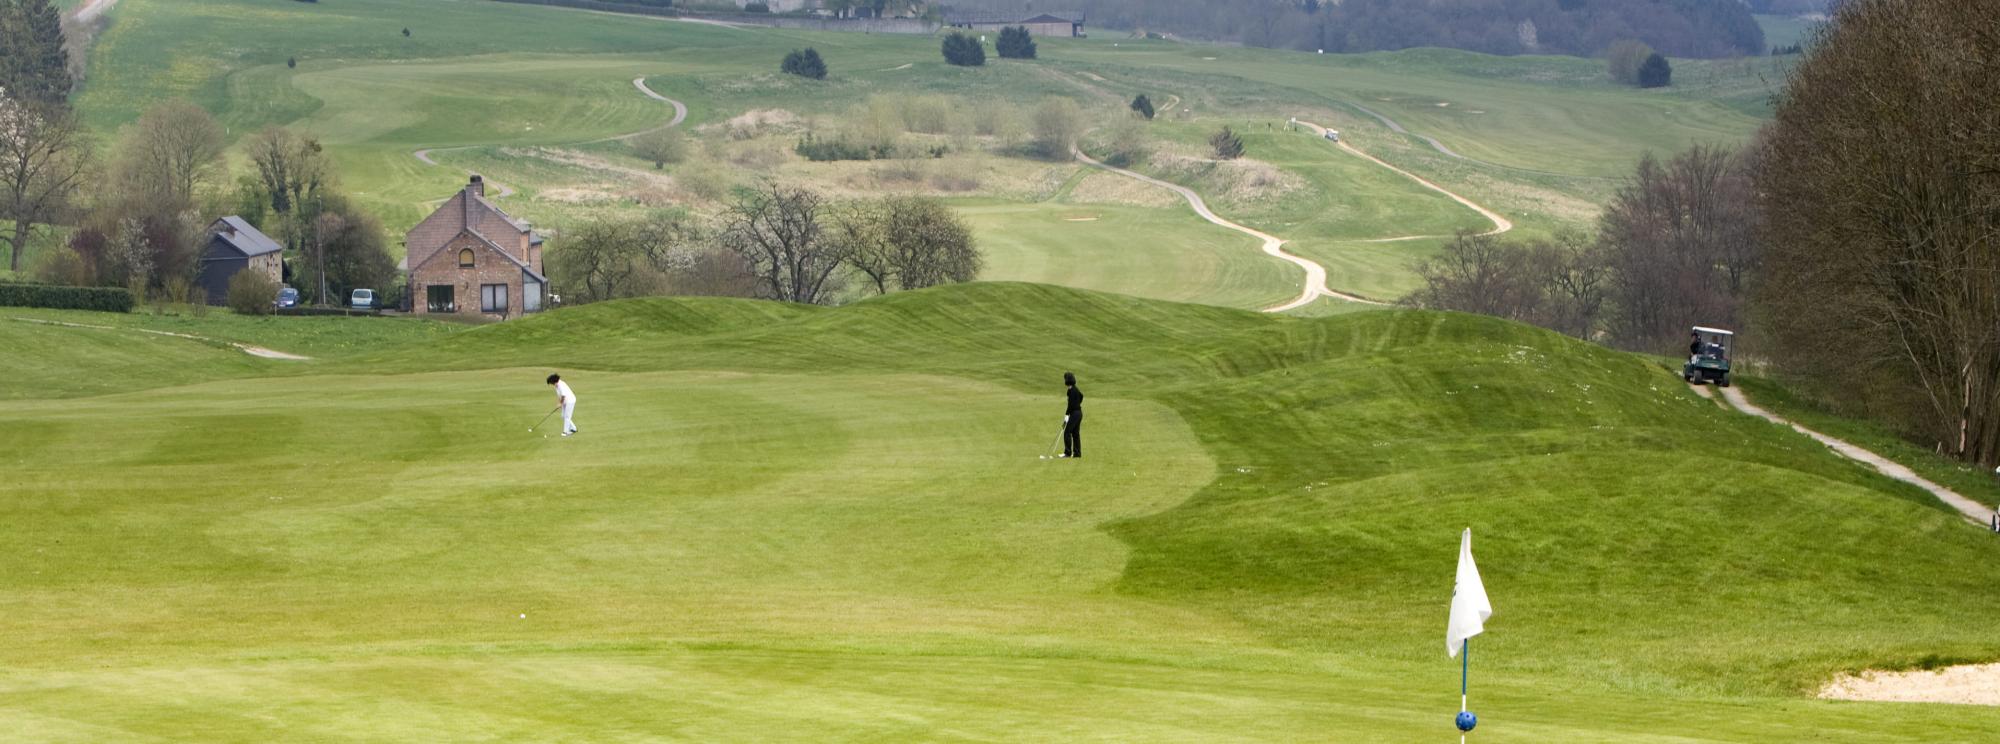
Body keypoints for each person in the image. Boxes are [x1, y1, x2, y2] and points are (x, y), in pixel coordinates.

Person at [1060, 372, 1084, 459]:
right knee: (1075, 433)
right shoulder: (1074, 389)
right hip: (1079, 413)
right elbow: (1081, 396)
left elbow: (1070, 405)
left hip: (1075, 413)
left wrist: (1067, 414)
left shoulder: (1071, 390)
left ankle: (1068, 453)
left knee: (1067, 432)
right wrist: (1077, 404)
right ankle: (1077, 454)